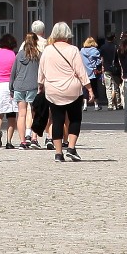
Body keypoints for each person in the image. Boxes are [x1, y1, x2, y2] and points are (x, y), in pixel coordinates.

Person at [38, 21, 91, 162]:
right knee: (74, 118)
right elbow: (81, 71)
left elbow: (41, 71)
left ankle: (58, 153)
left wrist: (40, 86)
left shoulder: (48, 50)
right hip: (72, 88)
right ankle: (71, 148)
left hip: (53, 89)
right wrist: (89, 88)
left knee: (57, 120)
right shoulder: (73, 50)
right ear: (68, 34)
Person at [10, 30, 41, 149]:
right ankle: (34, 138)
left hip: (19, 86)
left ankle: (22, 141)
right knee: (34, 113)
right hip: (33, 85)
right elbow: (41, 72)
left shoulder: (19, 55)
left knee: (21, 114)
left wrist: (11, 88)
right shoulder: (38, 55)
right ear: (36, 42)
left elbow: (13, 72)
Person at [81, 34, 105, 109]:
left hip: (84, 72)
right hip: (93, 72)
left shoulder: (81, 51)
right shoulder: (95, 51)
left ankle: (85, 105)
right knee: (94, 88)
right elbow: (98, 62)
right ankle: (96, 105)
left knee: (85, 88)